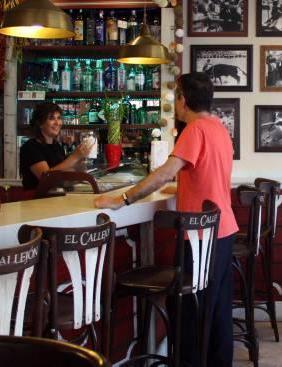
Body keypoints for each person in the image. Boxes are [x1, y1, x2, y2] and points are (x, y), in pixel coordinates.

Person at [94, 72, 237, 367]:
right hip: (222, 230)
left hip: (199, 237)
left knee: (189, 312)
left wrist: (123, 199)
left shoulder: (194, 130)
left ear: (183, 100)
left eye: (176, 97)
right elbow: (201, 175)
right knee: (217, 310)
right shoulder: (218, 128)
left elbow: (165, 172)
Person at [19, 101, 93, 190]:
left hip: (56, 198)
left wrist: (81, 160)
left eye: (59, 118)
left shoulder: (56, 145)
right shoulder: (30, 147)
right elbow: (46, 178)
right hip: (36, 200)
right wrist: (74, 157)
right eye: (51, 118)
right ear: (40, 123)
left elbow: (65, 171)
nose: (57, 123)